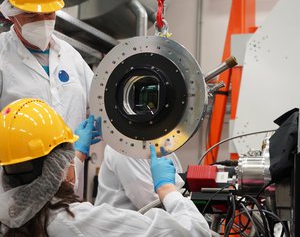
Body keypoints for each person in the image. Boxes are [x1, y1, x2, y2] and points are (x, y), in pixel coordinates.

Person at [0, 98, 211, 237]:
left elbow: (42, 193)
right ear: (60, 165)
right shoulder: (79, 223)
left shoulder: (12, 216)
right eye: (68, 154)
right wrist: (167, 189)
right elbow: (193, 232)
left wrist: (79, 156)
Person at [0, 0, 95, 197]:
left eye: (49, 14)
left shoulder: (71, 57)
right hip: (14, 195)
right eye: (32, 16)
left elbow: (99, 103)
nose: (42, 22)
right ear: (12, 14)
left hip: (69, 192)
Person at [95, 144, 185, 210]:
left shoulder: (164, 147)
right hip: (117, 228)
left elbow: (181, 189)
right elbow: (149, 204)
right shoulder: (122, 148)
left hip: (141, 225)